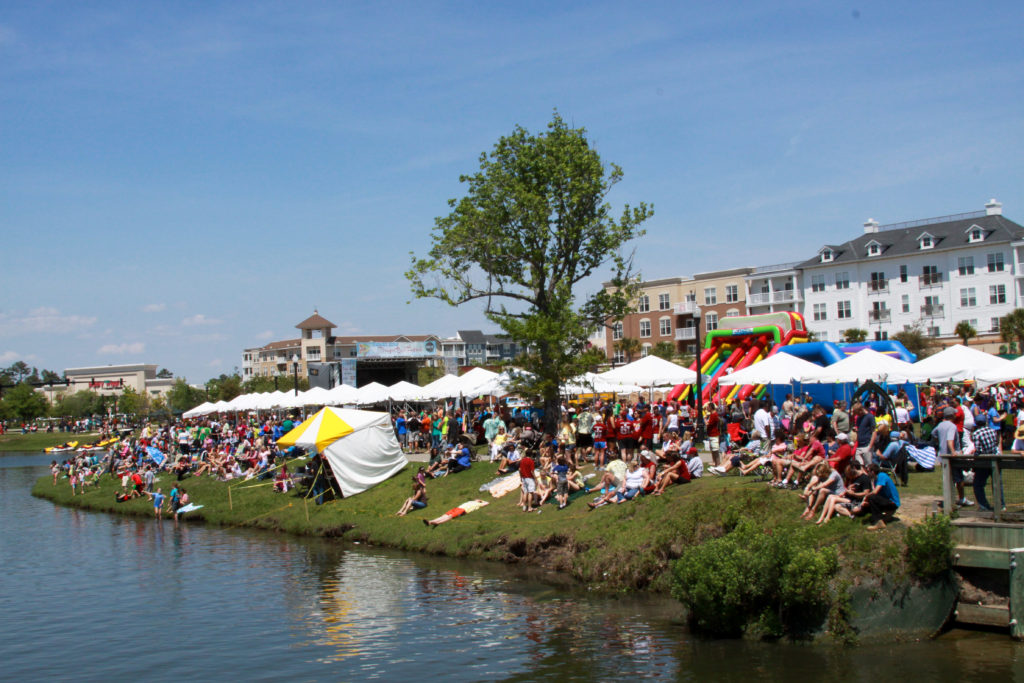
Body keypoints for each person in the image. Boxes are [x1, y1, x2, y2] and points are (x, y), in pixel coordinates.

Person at [934, 407, 972, 507]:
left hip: (942, 456)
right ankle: (961, 499)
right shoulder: (952, 426)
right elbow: (950, 440)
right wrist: (953, 452)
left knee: (947, 479)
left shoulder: (940, 425)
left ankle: (949, 499)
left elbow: (934, 434)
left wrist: (939, 442)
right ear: (951, 415)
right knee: (959, 479)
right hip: (952, 457)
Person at [854, 464, 901, 530]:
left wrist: (866, 497)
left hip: (893, 503)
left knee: (872, 498)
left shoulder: (882, 475)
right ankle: (857, 515)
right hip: (885, 501)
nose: (867, 473)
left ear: (872, 472)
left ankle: (878, 522)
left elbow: (875, 492)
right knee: (867, 505)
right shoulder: (876, 480)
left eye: (868, 471)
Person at [971, 412, 1000, 512]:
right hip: (994, 459)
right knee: (997, 483)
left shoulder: (976, 434)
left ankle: (983, 505)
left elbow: (978, 450)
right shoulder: (993, 431)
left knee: (978, 484)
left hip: (983, 462)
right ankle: (1001, 505)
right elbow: (996, 443)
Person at [423, 499, 488, 527]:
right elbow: (476, 499)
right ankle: (431, 521)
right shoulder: (472, 501)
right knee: (445, 515)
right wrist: (478, 500)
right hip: (458, 508)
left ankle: (437, 523)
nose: (477, 500)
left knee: (450, 516)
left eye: (479, 501)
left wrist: (481, 501)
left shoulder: (478, 504)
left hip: (463, 510)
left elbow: (487, 503)